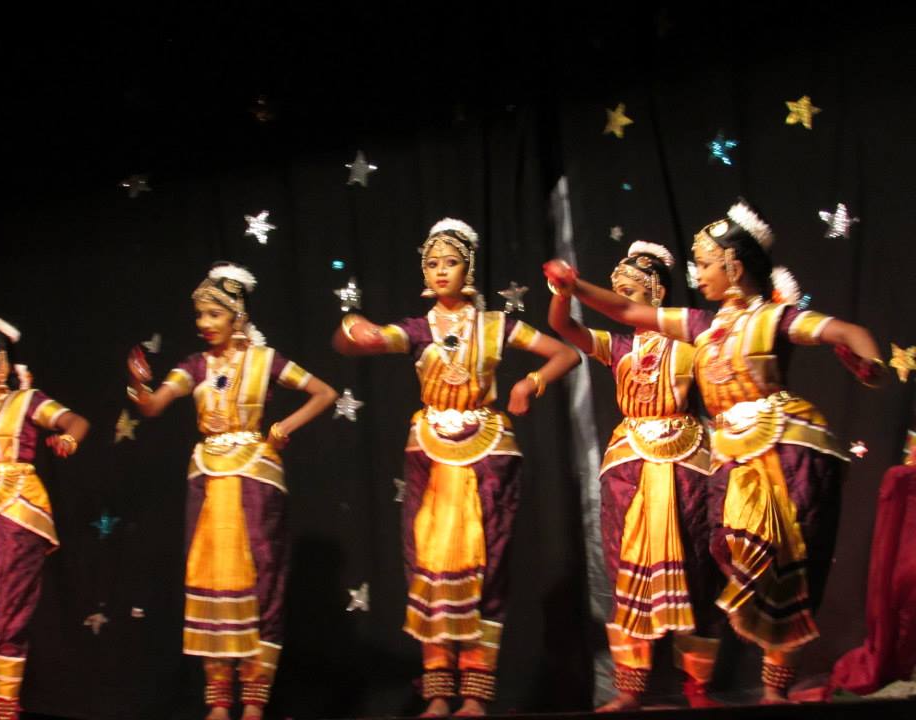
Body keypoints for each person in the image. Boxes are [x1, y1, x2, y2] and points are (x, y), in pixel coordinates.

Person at [544, 200, 885, 703]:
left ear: (735, 266)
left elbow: (839, 329)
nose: (697, 272)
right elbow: (623, 312)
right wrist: (572, 288)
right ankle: (650, 685)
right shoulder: (701, 325)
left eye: (705, 263)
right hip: (722, 453)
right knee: (735, 558)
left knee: (777, 564)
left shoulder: (771, 319)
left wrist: (866, 355)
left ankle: (773, 690)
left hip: (777, 445)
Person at [334, 218, 579, 717]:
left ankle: (475, 695)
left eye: (450, 261)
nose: (441, 270)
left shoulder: (497, 325)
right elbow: (362, 340)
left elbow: (566, 353)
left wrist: (528, 383)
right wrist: (353, 328)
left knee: (485, 568)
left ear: (468, 267)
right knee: (430, 567)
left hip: (489, 452)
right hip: (429, 452)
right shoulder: (417, 329)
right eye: (432, 262)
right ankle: (439, 693)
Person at [127, 263, 338, 720]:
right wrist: (141, 389)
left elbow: (324, 392)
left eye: (213, 315)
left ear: (236, 316)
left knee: (260, 579)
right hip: (207, 477)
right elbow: (156, 405)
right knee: (211, 579)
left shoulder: (266, 361)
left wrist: (283, 427)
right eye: (199, 315)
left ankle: (255, 699)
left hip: (256, 478)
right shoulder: (194, 366)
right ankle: (219, 699)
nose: (203, 324)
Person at [547, 242, 722, 710]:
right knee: (628, 572)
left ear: (657, 292)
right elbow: (562, 327)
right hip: (629, 467)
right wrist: (563, 293)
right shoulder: (617, 345)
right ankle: (629, 689)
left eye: (628, 291)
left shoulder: (692, 339)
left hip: (687, 463)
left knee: (696, 569)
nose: (619, 299)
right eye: (616, 291)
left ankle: (698, 688)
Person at [0, 316, 89, 720]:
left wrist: (68, 438)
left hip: (16, 513)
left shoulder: (26, 401)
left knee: (10, 610)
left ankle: (3, 704)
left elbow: (74, 421)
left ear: (2, 369)